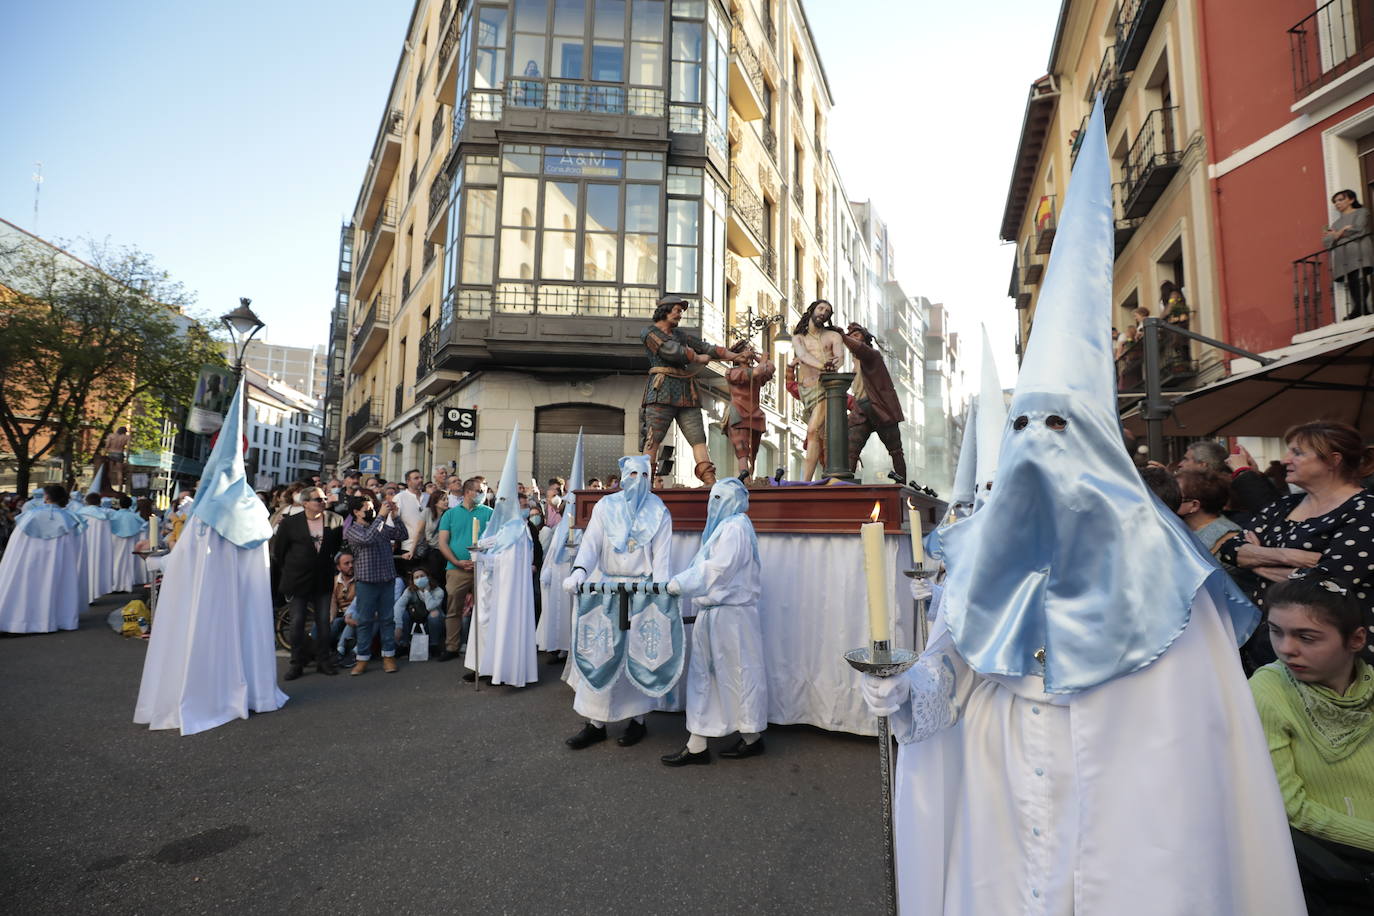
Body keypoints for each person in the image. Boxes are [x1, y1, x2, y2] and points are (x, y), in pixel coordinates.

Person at [860, 104, 1305, 914]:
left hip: (1128, 812)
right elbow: (945, 684)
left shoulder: (1175, 586)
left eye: (1060, 426)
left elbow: (1207, 748)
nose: (1038, 447)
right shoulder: (979, 562)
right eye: (1023, 427)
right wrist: (903, 691)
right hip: (999, 800)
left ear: (1103, 450)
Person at [135, 379, 287, 735]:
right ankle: (253, 688)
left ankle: (210, 693)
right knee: (240, 629)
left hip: (210, 593)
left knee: (204, 634)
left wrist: (161, 564)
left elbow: (190, 555)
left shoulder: (207, 511)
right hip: (241, 592)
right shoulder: (253, 507)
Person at [1250, 577, 1374, 911]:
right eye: (1276, 631)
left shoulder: (1371, 685)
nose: (1287, 648)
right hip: (1335, 869)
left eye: (1306, 637)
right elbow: (1292, 809)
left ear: (1356, 639)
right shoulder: (1268, 690)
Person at [1218, 421, 1374, 670]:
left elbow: (1326, 582)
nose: (1285, 459)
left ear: (1333, 460)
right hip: (1267, 645)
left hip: (1331, 656)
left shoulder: (1365, 508)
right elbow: (1230, 550)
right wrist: (1289, 555)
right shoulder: (1285, 505)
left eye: (1297, 452)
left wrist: (1255, 561)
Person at [562, 454, 674, 749]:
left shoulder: (659, 511)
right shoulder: (605, 506)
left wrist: (661, 593)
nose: (640, 481)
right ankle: (594, 722)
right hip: (606, 589)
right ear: (623, 476)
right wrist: (579, 572)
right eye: (634, 474)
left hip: (641, 592)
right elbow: (591, 544)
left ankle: (638, 720)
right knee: (601, 653)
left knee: (636, 657)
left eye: (646, 475)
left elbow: (662, 559)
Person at [662, 478, 767, 766]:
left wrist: (680, 584)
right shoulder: (725, 528)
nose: (713, 504)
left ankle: (750, 737)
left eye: (720, 498)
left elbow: (717, 569)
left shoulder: (734, 528)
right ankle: (700, 742)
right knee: (709, 676)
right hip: (719, 615)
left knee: (735, 675)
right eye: (713, 497)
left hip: (730, 618)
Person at [639, 294, 749, 486]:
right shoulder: (649, 333)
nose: (680, 315)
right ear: (665, 311)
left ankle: (710, 481)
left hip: (686, 391)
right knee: (653, 438)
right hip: (661, 390)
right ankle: (644, 484)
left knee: (698, 437)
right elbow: (671, 351)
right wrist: (698, 358)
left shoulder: (681, 336)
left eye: (681, 312)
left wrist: (736, 356)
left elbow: (707, 347)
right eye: (677, 311)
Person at [466, 428, 538, 686]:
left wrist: (483, 559)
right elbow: (489, 541)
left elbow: (507, 561)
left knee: (504, 626)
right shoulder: (502, 526)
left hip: (508, 591)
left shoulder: (518, 530)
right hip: (492, 587)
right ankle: (483, 665)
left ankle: (504, 669)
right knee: (485, 624)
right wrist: (479, 549)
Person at [271, 486, 343, 680]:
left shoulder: (334, 520)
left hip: (323, 577)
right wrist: (292, 568)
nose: (323, 502)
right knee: (297, 622)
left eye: (323, 499)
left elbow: (335, 546)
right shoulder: (290, 523)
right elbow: (279, 551)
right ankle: (296, 662)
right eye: (317, 500)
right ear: (305, 503)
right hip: (298, 577)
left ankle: (323, 660)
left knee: (323, 621)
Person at [0, 484, 87, 633]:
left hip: (29, 561)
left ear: (46, 497)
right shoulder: (69, 519)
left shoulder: (30, 516)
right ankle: (56, 618)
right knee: (56, 585)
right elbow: (72, 547)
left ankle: (18, 620)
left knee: (25, 586)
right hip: (57, 563)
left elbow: (16, 546)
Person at [342, 492, 408, 675]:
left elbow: (402, 534)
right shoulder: (353, 530)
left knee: (388, 619)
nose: (372, 511)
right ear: (356, 512)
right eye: (368, 509)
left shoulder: (379, 526)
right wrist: (381, 516)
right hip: (366, 581)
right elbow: (367, 538)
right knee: (365, 621)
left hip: (387, 579)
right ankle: (362, 658)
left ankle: (388, 656)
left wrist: (395, 516)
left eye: (373, 508)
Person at [840, 322, 906, 484]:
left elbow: (860, 349)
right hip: (861, 410)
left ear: (865, 338)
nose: (853, 339)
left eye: (857, 335)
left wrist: (842, 336)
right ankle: (846, 484)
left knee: (895, 450)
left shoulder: (872, 355)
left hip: (879, 408)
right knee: (850, 450)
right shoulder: (855, 363)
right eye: (851, 336)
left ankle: (901, 484)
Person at [538, 433, 584, 663]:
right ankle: (556, 645)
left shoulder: (587, 525)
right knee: (556, 611)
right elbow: (553, 550)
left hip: (574, 574)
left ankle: (571, 648)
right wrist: (546, 570)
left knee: (570, 612)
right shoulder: (561, 525)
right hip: (558, 574)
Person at [436, 477, 491, 663]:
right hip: (456, 569)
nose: (483, 494)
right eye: (480, 490)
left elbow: (496, 541)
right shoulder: (450, 515)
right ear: (468, 492)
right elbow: (442, 542)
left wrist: (482, 559)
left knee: (484, 608)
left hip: (483, 568)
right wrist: (457, 561)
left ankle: (483, 647)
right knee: (453, 609)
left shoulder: (490, 513)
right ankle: (452, 646)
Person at [790, 300, 846, 481]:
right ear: (812, 310)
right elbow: (803, 356)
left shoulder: (833, 336)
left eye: (828, 311)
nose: (824, 312)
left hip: (826, 387)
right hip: (807, 390)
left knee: (813, 431)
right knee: (819, 435)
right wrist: (823, 365)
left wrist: (832, 366)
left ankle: (806, 481)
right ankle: (824, 474)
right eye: (821, 308)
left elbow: (840, 357)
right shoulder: (798, 337)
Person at [1177, 439, 1279, 527]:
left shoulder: (1236, 490)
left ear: (1203, 465)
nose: (1180, 464)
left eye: (1186, 459)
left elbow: (1272, 512)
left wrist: (1247, 473)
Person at [719, 343, 775, 480]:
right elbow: (758, 371)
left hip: (754, 414)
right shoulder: (733, 372)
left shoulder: (756, 371)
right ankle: (746, 480)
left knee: (753, 453)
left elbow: (771, 368)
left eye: (750, 349)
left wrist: (756, 357)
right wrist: (762, 360)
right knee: (742, 450)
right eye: (746, 350)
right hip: (738, 413)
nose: (749, 351)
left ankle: (751, 476)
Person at [1323, 188, 1374, 320]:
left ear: (1351, 199)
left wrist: (1336, 235)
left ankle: (1361, 309)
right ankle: (1360, 309)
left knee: (1360, 278)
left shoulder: (1361, 212)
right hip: (1343, 256)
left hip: (1359, 250)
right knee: (1351, 282)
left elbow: (1359, 229)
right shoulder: (1336, 223)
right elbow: (1327, 241)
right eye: (1335, 202)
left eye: (1341, 199)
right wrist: (1342, 232)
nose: (1337, 203)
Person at [393, 567, 446, 656]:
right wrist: (398, 626)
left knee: (435, 614)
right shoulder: (409, 590)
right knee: (403, 614)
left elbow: (430, 607)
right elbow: (399, 605)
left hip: (430, 621)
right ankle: (404, 645)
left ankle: (434, 645)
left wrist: (426, 591)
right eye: (416, 577)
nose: (419, 579)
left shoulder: (438, 591)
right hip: (415, 619)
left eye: (422, 576)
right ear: (412, 580)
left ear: (428, 577)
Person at [76, 492, 116, 605]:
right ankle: (93, 593)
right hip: (97, 550)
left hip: (82, 548)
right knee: (95, 569)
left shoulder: (79, 514)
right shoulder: (103, 517)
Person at [109, 493, 146, 593]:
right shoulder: (134, 516)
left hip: (116, 540)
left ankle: (114, 584)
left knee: (115, 561)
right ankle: (126, 584)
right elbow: (143, 525)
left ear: (119, 504)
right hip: (130, 540)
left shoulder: (114, 515)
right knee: (128, 562)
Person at [393, 468, 426, 572]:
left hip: (428, 546)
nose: (420, 480)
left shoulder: (428, 497)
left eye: (421, 477)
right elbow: (392, 521)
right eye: (416, 478)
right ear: (408, 481)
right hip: (408, 546)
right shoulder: (400, 497)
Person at [330, 549, 358, 663]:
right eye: (346, 563)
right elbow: (333, 601)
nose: (351, 566)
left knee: (340, 622)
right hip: (339, 614)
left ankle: (340, 651)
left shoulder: (360, 579)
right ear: (338, 567)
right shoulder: (334, 581)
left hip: (354, 614)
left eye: (352, 562)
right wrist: (331, 617)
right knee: (325, 624)